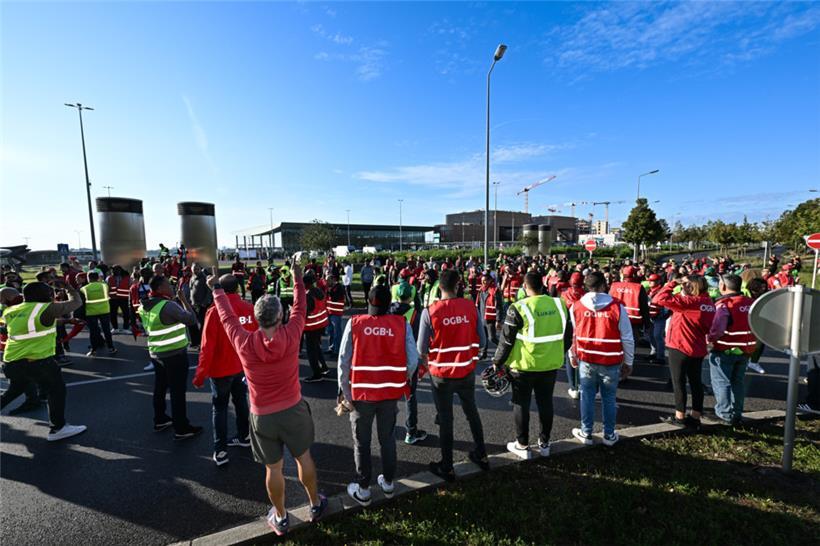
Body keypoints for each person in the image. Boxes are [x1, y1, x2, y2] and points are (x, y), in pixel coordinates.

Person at [208, 262, 327, 535]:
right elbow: (301, 307)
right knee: (303, 457)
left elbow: (227, 318)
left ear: (258, 318)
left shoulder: (244, 342)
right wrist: (297, 277)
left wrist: (216, 288)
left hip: (262, 416)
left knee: (273, 468)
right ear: (280, 316)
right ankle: (314, 503)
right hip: (294, 410)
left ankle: (282, 517)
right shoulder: (292, 333)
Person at [337, 284, 419, 506]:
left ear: (369, 302)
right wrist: (402, 380)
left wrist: (345, 393)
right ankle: (389, 483)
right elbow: (413, 360)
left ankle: (363, 489)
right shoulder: (401, 324)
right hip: (390, 393)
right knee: (387, 439)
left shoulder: (355, 323)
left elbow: (343, 361)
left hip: (361, 395)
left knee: (362, 443)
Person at [417, 269, 488, 481]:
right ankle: (481, 455)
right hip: (466, 371)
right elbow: (483, 342)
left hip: (441, 375)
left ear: (439, 287)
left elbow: (422, 348)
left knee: (446, 419)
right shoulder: (471, 307)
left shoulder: (429, 312)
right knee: (472, 412)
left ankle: (447, 466)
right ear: (458, 285)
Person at [494, 271, 572, 458]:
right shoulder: (559, 304)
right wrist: (556, 353)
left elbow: (506, 341)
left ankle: (522, 445)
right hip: (550, 365)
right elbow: (568, 336)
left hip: (523, 366)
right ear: (543, 285)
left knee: (521, 404)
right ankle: (545, 444)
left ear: (525, 287)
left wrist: (497, 362)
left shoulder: (518, 307)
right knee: (546, 403)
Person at [0, 280, 87, 441]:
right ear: (44, 295)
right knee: (56, 390)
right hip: (38, 363)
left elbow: (34, 324)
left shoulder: (11, 311)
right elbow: (77, 302)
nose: (52, 295)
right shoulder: (46, 308)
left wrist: (66, 321)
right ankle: (58, 428)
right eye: (50, 293)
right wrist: (68, 287)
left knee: (13, 391)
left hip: (11, 362)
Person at [193, 274, 257, 466]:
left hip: (221, 370)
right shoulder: (248, 307)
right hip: (242, 367)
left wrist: (199, 375)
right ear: (237, 289)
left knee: (220, 408)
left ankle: (220, 451)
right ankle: (244, 436)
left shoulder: (214, 312)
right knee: (241, 401)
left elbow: (207, 346)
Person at [568, 271, 634, 446]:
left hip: (586, 359)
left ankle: (586, 432)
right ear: (604, 285)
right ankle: (609, 435)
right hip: (611, 361)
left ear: (586, 287)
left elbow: (572, 335)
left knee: (586, 396)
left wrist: (572, 355)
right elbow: (627, 337)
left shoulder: (576, 306)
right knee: (609, 398)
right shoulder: (617, 307)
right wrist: (629, 362)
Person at [139, 275, 203, 439]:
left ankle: (160, 419)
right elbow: (191, 319)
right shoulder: (168, 305)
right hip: (174, 354)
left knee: (160, 387)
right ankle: (181, 428)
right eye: (168, 284)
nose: (171, 286)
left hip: (156, 352)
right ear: (160, 288)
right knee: (177, 391)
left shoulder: (145, 305)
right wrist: (183, 300)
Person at [652, 275, 716, 429]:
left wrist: (673, 283)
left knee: (678, 382)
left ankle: (679, 417)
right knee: (695, 383)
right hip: (698, 347)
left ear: (691, 287)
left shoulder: (688, 303)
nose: (683, 287)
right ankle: (695, 416)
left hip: (680, 346)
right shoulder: (709, 303)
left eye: (686, 284)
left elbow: (658, 299)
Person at [707, 274, 757, 425]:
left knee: (722, 382)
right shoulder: (752, 303)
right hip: (745, 350)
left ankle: (724, 415)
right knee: (738, 382)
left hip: (724, 349)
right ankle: (737, 414)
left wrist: (708, 340)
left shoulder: (724, 304)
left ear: (722, 286)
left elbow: (718, 329)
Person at [389, 281, 427, 445]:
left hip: (389, 359)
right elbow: (420, 341)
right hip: (408, 359)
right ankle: (411, 431)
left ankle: (387, 429)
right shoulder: (415, 314)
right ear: (411, 296)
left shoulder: (387, 311)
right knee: (410, 396)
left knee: (389, 396)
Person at [608, 265, 649, 361]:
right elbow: (644, 307)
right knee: (630, 345)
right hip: (633, 322)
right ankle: (627, 365)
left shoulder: (614, 286)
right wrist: (647, 324)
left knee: (617, 343)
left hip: (615, 320)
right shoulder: (638, 287)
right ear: (634, 275)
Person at [561, 271, 586, 399]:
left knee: (569, 356)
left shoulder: (564, 294)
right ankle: (583, 385)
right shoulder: (586, 295)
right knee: (583, 356)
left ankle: (573, 387)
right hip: (583, 327)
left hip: (568, 327)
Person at [302, 272, 330, 382]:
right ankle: (324, 367)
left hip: (311, 327)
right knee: (317, 348)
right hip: (321, 325)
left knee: (311, 351)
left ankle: (316, 374)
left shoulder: (308, 295)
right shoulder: (319, 291)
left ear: (306, 284)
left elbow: (305, 313)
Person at [81, 271, 117, 357]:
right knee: (106, 330)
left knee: (93, 332)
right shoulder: (105, 286)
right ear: (98, 278)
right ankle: (111, 348)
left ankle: (93, 350)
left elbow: (82, 302)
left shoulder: (84, 289)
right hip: (104, 310)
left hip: (91, 312)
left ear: (88, 278)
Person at [475, 273, 503, 360]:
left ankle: (503, 350)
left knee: (492, 338)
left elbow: (499, 306)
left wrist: (498, 320)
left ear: (490, 280)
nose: (483, 282)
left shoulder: (495, 291)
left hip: (491, 318)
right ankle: (484, 354)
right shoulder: (481, 290)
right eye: (482, 281)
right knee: (484, 337)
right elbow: (479, 304)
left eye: (485, 280)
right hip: (483, 317)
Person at [646, 274, 668, 365]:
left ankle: (661, 357)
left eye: (653, 280)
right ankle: (654, 352)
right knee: (650, 335)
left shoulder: (662, 291)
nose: (650, 282)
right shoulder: (649, 291)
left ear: (659, 281)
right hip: (650, 316)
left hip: (659, 317)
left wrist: (665, 316)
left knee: (658, 336)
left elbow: (668, 305)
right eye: (649, 280)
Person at [189, 263, 213, 349]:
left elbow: (209, 292)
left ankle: (202, 343)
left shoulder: (204, 278)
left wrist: (204, 303)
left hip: (202, 306)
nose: (195, 270)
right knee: (193, 324)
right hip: (194, 305)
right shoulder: (192, 278)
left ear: (200, 269)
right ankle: (196, 342)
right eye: (194, 269)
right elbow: (191, 290)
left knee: (202, 326)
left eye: (197, 269)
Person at [106, 265, 131, 334]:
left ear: (120, 270)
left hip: (124, 298)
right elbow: (107, 287)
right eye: (113, 270)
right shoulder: (109, 278)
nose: (114, 271)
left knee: (126, 314)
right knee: (113, 314)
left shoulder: (127, 277)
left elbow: (130, 286)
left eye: (116, 270)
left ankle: (125, 328)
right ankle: (115, 328)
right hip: (113, 299)